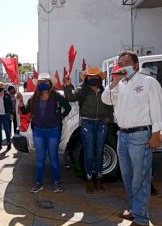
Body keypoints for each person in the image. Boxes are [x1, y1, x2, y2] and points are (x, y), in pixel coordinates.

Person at [101, 51, 162, 226]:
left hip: (141, 136)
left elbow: (158, 108)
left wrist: (157, 133)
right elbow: (106, 99)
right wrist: (114, 80)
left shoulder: (148, 82)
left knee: (140, 179)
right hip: (123, 136)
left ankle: (141, 218)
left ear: (135, 65)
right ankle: (136, 211)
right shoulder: (119, 84)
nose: (123, 65)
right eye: (121, 63)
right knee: (127, 177)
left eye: (127, 62)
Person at [17, 73, 71, 193]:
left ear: (50, 84)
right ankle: (38, 183)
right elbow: (25, 111)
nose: (43, 84)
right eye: (41, 82)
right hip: (39, 132)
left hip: (53, 131)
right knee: (40, 158)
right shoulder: (34, 97)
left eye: (45, 82)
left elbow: (68, 107)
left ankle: (56, 183)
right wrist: (20, 101)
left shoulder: (56, 96)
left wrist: (60, 117)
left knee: (53, 158)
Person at [63, 67, 113, 194]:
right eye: (90, 76)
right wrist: (68, 85)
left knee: (100, 152)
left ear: (99, 78)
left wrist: (109, 117)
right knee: (89, 152)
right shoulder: (82, 90)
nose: (92, 78)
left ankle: (99, 179)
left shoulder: (104, 91)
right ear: (86, 78)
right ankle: (90, 180)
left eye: (95, 76)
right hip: (87, 123)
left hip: (101, 124)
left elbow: (111, 105)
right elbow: (70, 98)